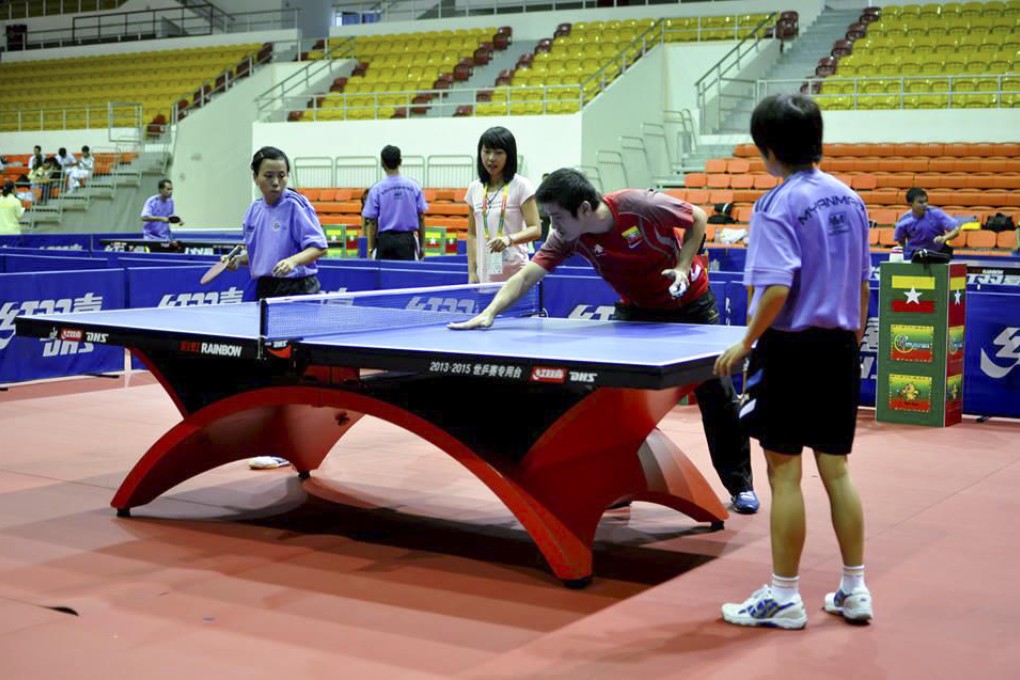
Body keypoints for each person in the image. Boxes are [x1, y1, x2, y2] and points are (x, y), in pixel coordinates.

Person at [449, 167, 759, 514]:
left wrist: (684, 266)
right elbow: (527, 276)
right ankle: (620, 482)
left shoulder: (638, 205)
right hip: (637, 310)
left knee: (716, 394)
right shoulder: (569, 237)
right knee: (613, 398)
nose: (553, 226)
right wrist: (490, 311)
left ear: (583, 208)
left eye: (557, 216)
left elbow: (698, 217)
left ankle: (740, 485)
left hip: (690, 304)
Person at [715, 93, 872, 630]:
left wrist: (745, 343)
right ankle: (855, 589)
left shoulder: (775, 204)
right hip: (839, 348)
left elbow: (776, 288)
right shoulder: (851, 200)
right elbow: (862, 286)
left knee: (784, 476)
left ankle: (784, 596)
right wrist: (852, 338)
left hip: (790, 349)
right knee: (837, 468)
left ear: (770, 148)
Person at [224, 146, 328, 470]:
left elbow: (318, 246)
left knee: (289, 368)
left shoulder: (297, 205)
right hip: (267, 290)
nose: (276, 182)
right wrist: (239, 261)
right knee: (266, 367)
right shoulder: (253, 212)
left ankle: (286, 445)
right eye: (268, 176)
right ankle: (270, 437)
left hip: (296, 293)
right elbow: (258, 257)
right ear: (255, 177)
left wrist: (292, 260)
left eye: (281, 175)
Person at [465, 126, 541, 283]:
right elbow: (472, 235)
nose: (491, 158)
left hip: (517, 276)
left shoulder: (521, 185)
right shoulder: (475, 188)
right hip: (485, 278)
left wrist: (509, 239)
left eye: (498, 153)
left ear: (509, 156)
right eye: (486, 152)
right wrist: (472, 271)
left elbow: (536, 229)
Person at [361, 145, 428, 260]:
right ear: (400, 161)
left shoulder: (377, 189)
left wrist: (370, 249)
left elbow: (372, 222)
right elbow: (421, 217)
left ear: (382, 163)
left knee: (384, 277)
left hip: (384, 242)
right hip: (407, 242)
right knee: (407, 276)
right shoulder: (414, 187)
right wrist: (421, 247)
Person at [893, 187, 962, 260]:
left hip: (939, 253)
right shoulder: (904, 221)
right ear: (910, 203)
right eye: (920, 202)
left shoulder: (936, 213)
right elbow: (901, 242)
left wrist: (944, 238)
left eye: (926, 201)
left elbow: (955, 231)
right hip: (916, 255)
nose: (925, 204)